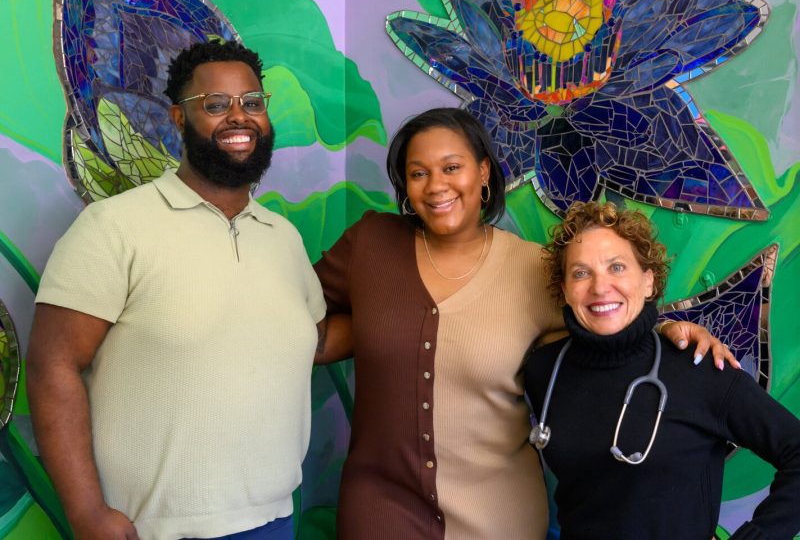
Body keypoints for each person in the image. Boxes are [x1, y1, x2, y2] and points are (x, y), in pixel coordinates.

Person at [313, 108, 736, 539]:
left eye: (452, 167)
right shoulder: (371, 244)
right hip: (381, 513)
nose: (436, 185)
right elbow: (299, 315)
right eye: (418, 173)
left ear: (483, 172)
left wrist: (665, 331)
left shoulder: (533, 269)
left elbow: (609, 327)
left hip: (499, 518)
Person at [26, 40, 326, 540]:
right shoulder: (114, 227)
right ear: (178, 118)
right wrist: (86, 512)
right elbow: (52, 366)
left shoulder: (283, 237)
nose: (239, 117)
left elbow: (316, 340)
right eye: (215, 105)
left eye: (252, 103)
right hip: (154, 530)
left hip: (274, 520)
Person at [525, 201, 800, 539]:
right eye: (581, 273)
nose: (599, 287)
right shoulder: (544, 372)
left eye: (617, 267)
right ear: (565, 290)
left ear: (648, 281)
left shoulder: (700, 366)